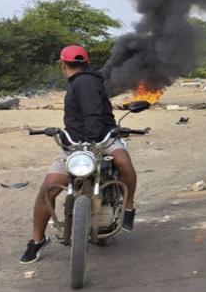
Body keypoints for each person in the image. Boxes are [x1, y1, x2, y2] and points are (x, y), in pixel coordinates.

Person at [21, 46, 139, 264]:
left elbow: (93, 114)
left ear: (62, 64)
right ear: (85, 63)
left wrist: (94, 140)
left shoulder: (85, 82)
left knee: (50, 189)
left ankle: (129, 207)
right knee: (49, 187)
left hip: (103, 140)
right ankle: (37, 240)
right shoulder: (88, 80)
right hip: (74, 145)